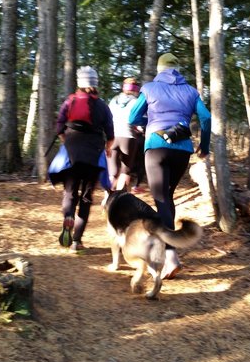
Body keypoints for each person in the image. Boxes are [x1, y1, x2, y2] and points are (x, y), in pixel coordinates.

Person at [128, 52, 211, 278]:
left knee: (162, 200)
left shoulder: (149, 88)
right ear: (177, 69)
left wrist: (148, 122)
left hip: (156, 146)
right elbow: (206, 118)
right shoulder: (191, 91)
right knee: (167, 199)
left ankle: (171, 256)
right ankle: (166, 248)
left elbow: (132, 117)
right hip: (182, 150)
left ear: (159, 69)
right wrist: (204, 146)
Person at [49, 66, 114, 253]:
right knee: (86, 197)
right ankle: (77, 241)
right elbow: (110, 135)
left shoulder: (69, 102)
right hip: (93, 155)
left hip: (72, 154)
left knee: (70, 193)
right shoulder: (102, 106)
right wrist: (107, 150)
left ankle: (68, 216)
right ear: (95, 84)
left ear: (80, 83)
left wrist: (67, 141)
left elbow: (59, 127)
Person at [107, 77, 142, 192]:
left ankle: (107, 196)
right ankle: (120, 198)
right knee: (125, 171)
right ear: (136, 89)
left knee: (112, 171)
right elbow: (138, 123)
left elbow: (107, 118)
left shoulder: (113, 100)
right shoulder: (136, 102)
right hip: (128, 137)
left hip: (112, 137)